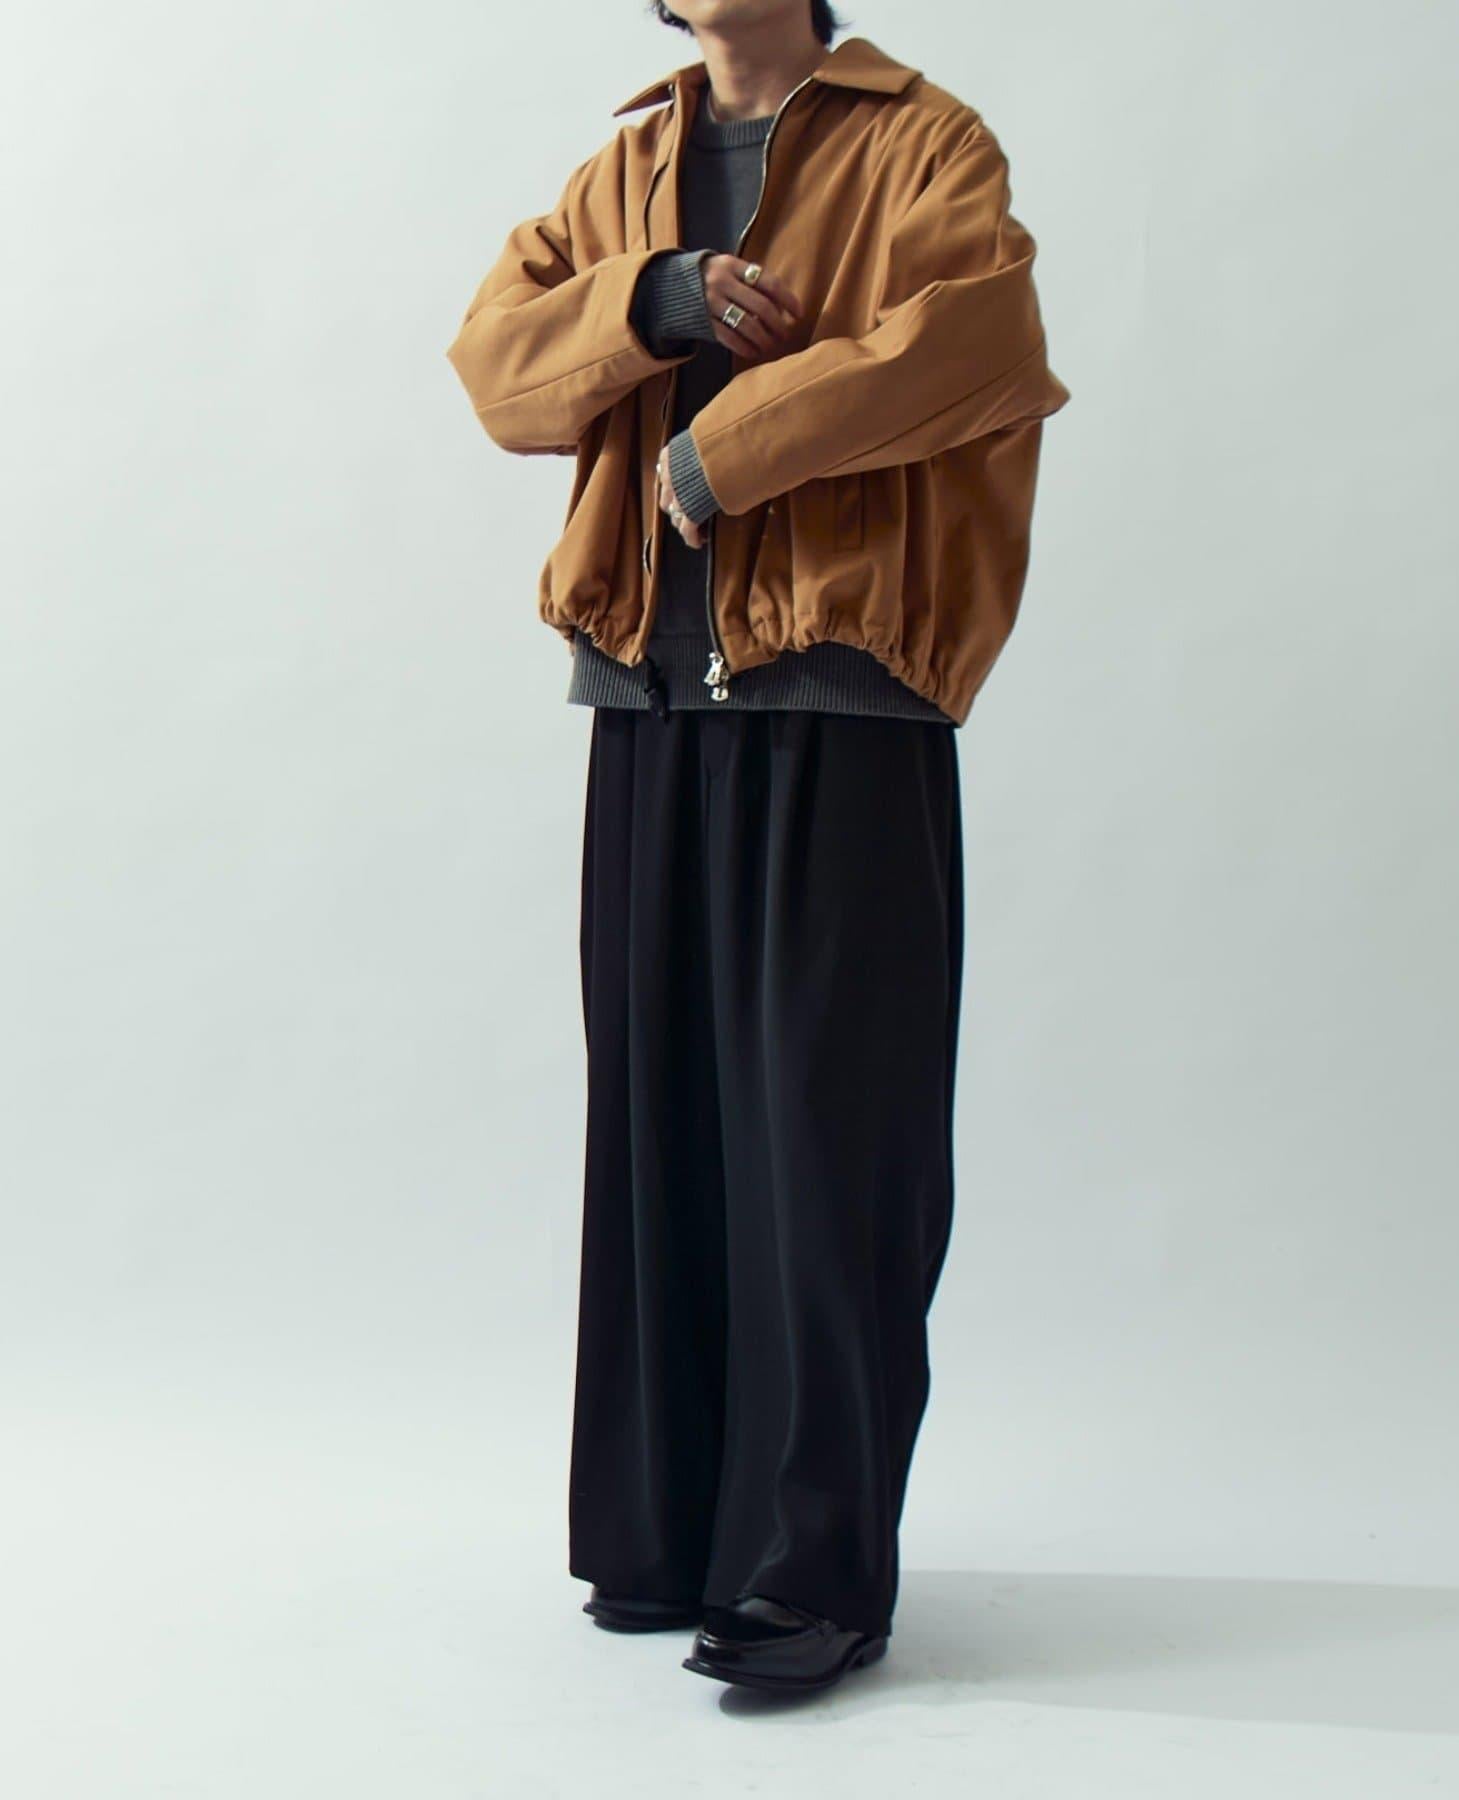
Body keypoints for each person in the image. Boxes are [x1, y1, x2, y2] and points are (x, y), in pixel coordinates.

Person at [445, 1, 1069, 1695]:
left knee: (828, 1141)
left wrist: (727, 449)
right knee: (659, 1128)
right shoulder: (628, 166)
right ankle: (660, 1538)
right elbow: (497, 367)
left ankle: (811, 1573)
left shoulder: (922, 139)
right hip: (646, 699)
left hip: (842, 692)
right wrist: (652, 299)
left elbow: (978, 345)